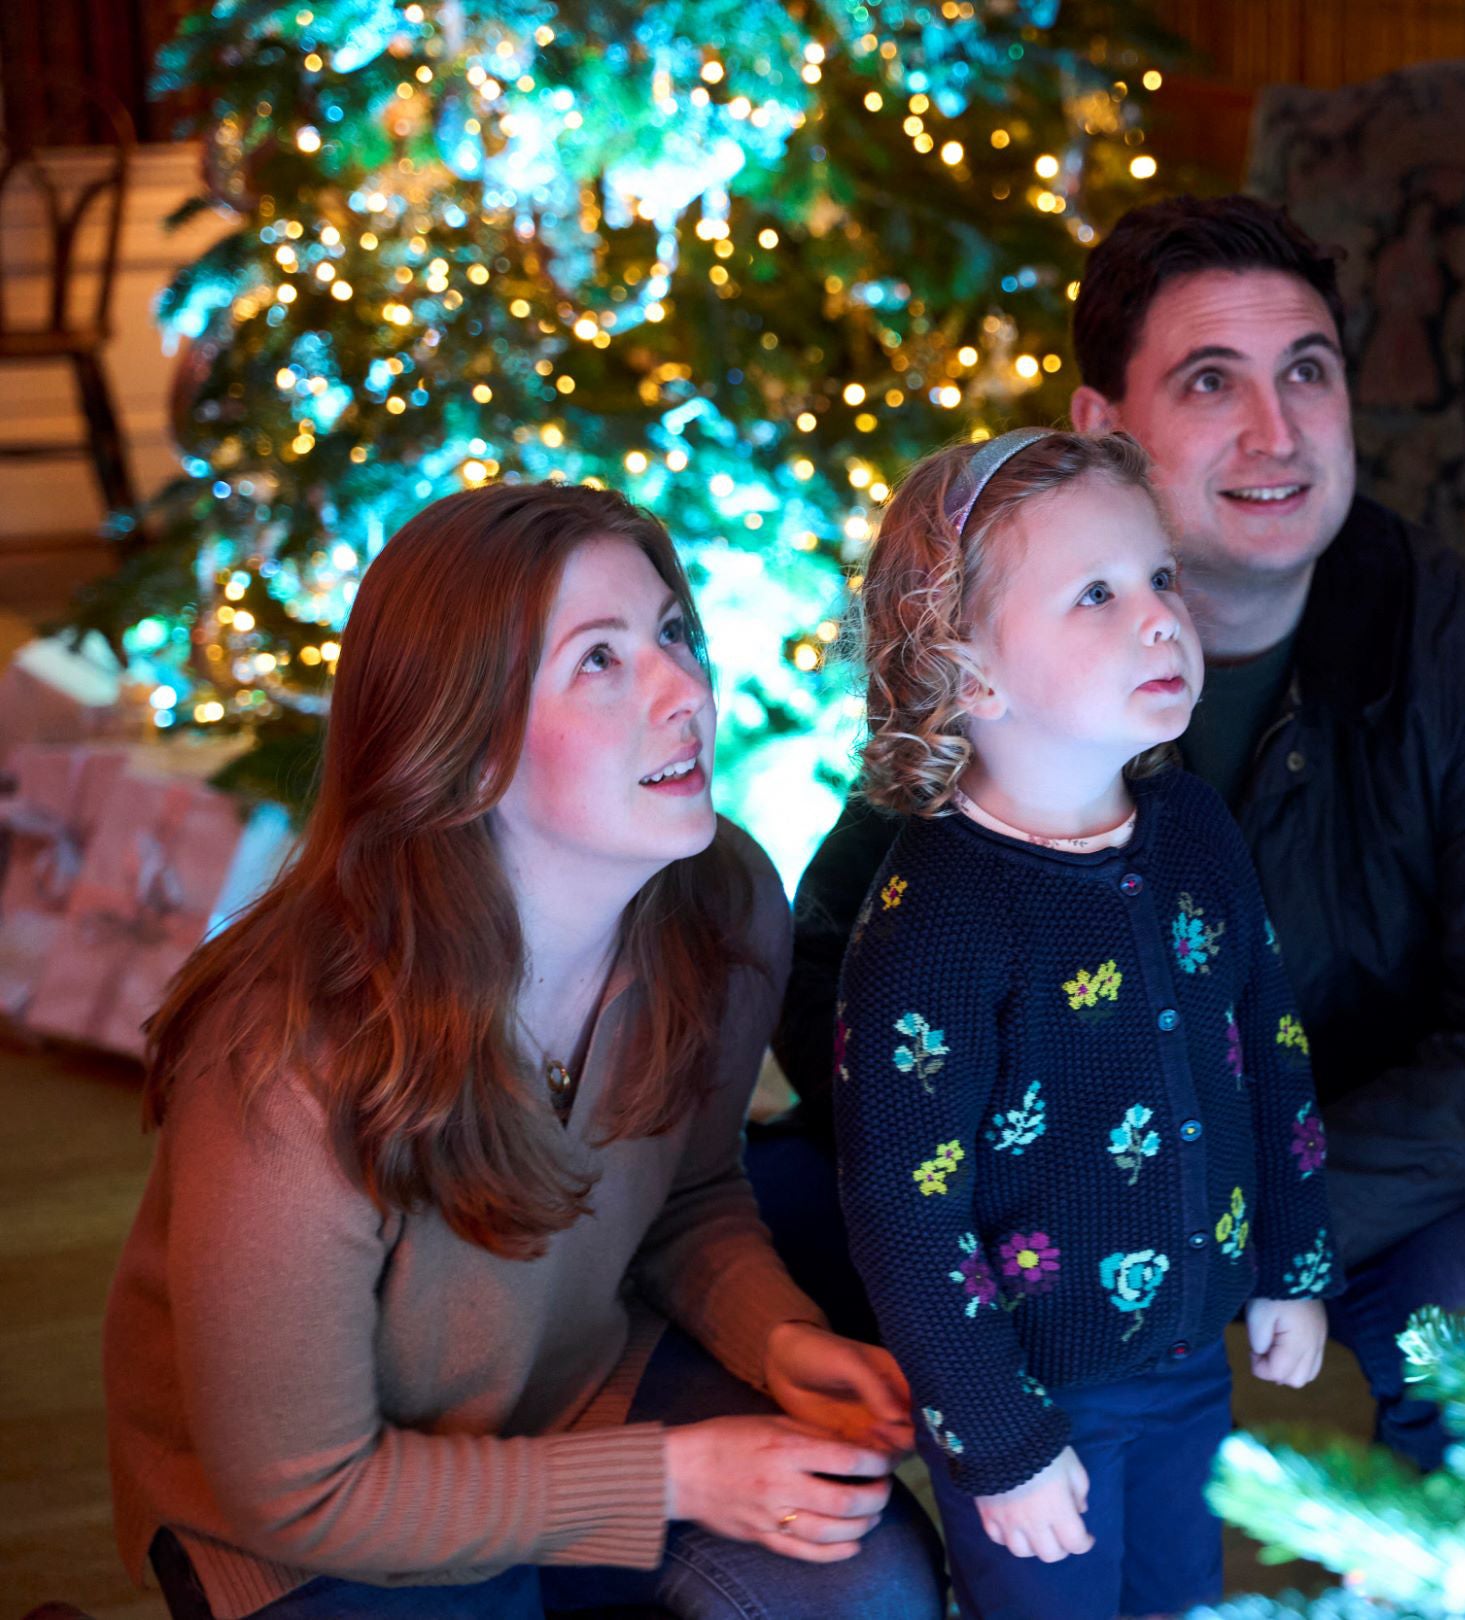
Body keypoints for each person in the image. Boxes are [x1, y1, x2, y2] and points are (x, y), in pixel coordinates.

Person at [767, 195, 1465, 1472]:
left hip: (1354, 1173)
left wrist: (1247, 1220)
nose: (1276, 433)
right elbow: (837, 969)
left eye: (1309, 373)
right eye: (1212, 380)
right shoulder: (1002, 628)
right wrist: (1059, 1200)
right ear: (1105, 428)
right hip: (1049, 1194)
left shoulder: (1459, 647)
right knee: (773, 1215)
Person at [103, 483, 943, 1620]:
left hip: (574, 1387)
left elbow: (688, 1194)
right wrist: (680, 1476)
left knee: (869, 1580)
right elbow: (300, 1492)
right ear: (462, 741)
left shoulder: (724, 898)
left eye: (672, 634)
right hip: (313, 1517)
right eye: (598, 661)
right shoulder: (286, 1058)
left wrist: (779, 1337)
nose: (683, 689)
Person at [829, 427, 1337, 1618]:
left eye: (1159, 578)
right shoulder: (934, 923)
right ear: (968, 672)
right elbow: (902, 1207)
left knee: (1183, 1599)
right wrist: (997, 1438)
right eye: (1095, 595)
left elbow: (1268, 1047)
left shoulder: (1195, 830)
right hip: (1033, 1391)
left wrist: (1293, 1265)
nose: (1161, 617)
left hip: (1191, 1365)